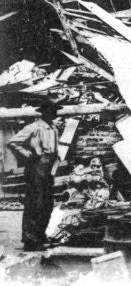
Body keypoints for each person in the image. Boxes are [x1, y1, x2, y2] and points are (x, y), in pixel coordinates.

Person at [7, 100, 60, 251]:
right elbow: (13, 142)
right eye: (52, 110)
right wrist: (27, 155)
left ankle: (40, 235)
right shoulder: (34, 127)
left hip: (48, 168)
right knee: (35, 203)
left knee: (47, 203)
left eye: (55, 110)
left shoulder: (54, 128)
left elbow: (54, 151)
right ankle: (30, 240)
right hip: (36, 167)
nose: (55, 113)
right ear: (44, 112)